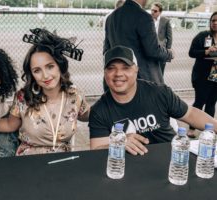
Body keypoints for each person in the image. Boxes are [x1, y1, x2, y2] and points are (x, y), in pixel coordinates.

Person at [89, 45, 217, 155]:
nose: (118, 73)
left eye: (125, 67)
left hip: (171, 159)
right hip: (128, 168)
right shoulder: (99, 110)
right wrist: (117, 143)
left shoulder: (159, 93)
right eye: (111, 68)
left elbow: (190, 114)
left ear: (136, 70)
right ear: (105, 73)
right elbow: (96, 149)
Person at [0, 28, 90, 156]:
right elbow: (9, 125)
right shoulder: (23, 97)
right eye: (37, 70)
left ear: (59, 66)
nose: (45, 76)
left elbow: (92, 115)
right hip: (30, 162)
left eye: (50, 66)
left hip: (62, 161)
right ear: (32, 74)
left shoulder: (75, 96)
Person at [103, 0, 173, 84]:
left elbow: (107, 51)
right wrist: (170, 53)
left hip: (120, 80)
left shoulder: (111, 18)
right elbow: (153, 51)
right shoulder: (144, 16)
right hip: (143, 79)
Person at [188, 12, 217, 138]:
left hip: (216, 75)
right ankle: (192, 128)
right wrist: (206, 51)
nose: (215, 23)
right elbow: (192, 52)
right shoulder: (203, 36)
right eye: (213, 20)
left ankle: (208, 130)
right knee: (200, 102)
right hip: (202, 75)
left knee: (211, 103)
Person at [151, 2, 173, 76]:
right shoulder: (148, 19)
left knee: (160, 74)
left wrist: (167, 50)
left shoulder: (166, 21)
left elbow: (169, 37)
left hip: (161, 51)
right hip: (150, 50)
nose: (152, 12)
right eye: (152, 10)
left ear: (160, 12)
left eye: (155, 11)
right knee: (150, 74)